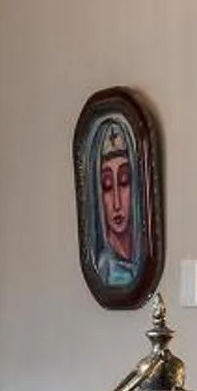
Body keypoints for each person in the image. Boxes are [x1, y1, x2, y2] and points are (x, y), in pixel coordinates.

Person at [89, 117, 140, 289]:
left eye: (125, 182)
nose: (116, 203)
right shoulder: (104, 270)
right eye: (107, 186)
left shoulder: (142, 261)